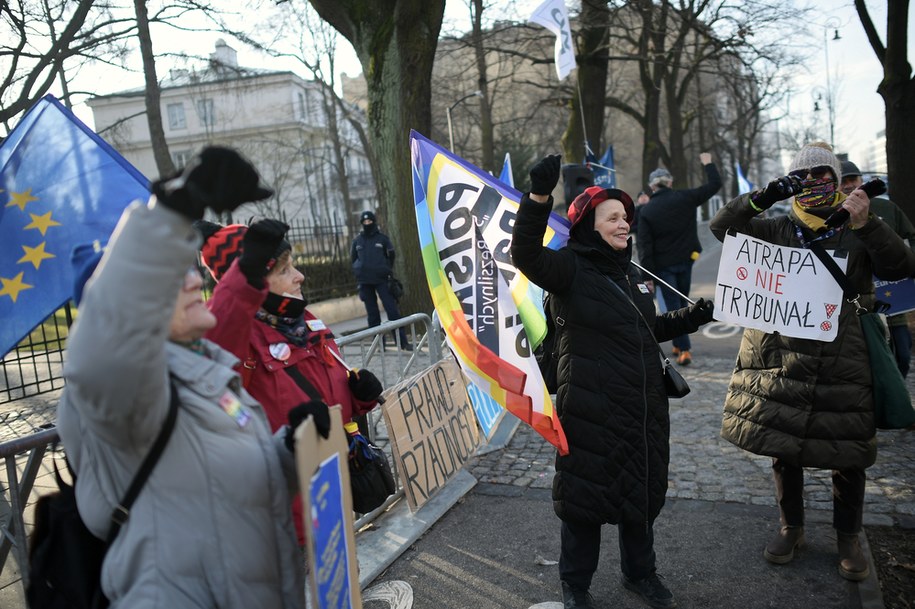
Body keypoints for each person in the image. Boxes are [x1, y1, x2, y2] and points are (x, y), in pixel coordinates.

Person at [56, 147, 321, 608]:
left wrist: (287, 453)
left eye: (189, 271)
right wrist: (173, 211)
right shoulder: (119, 392)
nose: (196, 281)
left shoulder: (203, 374)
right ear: (132, 306)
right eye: (172, 278)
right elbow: (107, 339)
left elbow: (222, 483)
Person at [511, 154, 715, 609]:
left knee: (638, 498)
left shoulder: (633, 272)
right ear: (588, 225)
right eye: (614, 218)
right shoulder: (568, 269)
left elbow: (644, 329)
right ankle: (575, 586)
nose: (625, 224)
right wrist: (539, 198)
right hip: (590, 411)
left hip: (642, 409)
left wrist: (689, 318)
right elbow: (523, 254)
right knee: (584, 501)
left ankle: (641, 575)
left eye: (626, 216)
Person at [710, 142, 915, 582]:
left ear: (837, 179)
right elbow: (721, 228)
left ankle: (848, 537)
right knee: (784, 448)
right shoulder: (777, 228)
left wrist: (867, 223)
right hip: (781, 354)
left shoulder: (858, 225)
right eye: (803, 178)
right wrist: (763, 196)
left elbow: (900, 264)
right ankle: (792, 527)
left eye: (823, 175)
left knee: (848, 448)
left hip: (844, 354)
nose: (815, 184)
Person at [197, 215, 384, 539]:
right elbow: (217, 354)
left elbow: (323, 390)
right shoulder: (236, 340)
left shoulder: (302, 319)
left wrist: (359, 397)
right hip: (288, 516)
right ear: (250, 283)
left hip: (331, 493)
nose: (300, 276)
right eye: (283, 270)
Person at [636, 153, 722, 366]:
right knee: (682, 300)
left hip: (663, 267)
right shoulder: (686, 198)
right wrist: (708, 163)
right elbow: (714, 184)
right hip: (687, 260)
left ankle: (682, 347)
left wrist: (647, 276)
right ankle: (681, 345)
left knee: (674, 306)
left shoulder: (647, 211)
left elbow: (644, 247)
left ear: (652, 187)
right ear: (670, 182)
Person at [840, 159, 915, 377]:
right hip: (860, 305)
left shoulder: (887, 208)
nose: (848, 185)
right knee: (868, 358)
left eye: (852, 179)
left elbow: (911, 236)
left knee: (901, 353)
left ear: (861, 180)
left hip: (894, 299)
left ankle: (896, 394)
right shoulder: (833, 218)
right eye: (842, 181)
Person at [351, 210, 411, 350]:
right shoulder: (357, 241)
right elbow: (353, 259)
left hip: (382, 280)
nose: (367, 224)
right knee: (373, 316)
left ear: (374, 222)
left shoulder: (382, 239)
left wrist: (385, 269)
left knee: (392, 311)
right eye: (364, 222)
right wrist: (358, 271)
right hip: (365, 282)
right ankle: (379, 344)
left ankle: (402, 342)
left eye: (369, 221)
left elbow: (391, 255)